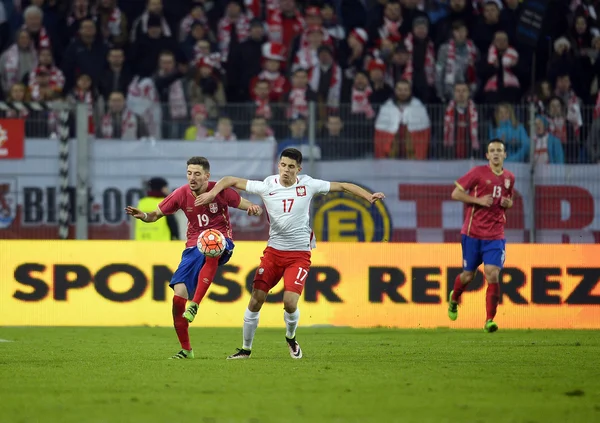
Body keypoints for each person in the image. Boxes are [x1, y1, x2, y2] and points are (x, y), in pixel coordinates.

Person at [194, 148, 385, 359]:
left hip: (299, 254)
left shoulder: (308, 184)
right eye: (283, 165)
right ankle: (245, 349)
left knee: (290, 302)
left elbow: (341, 186)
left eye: (291, 167)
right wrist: (212, 193)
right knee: (256, 299)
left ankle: (291, 338)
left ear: (299, 169)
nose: (286, 170)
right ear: (278, 165)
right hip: (274, 253)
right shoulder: (268, 185)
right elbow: (230, 179)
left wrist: (368, 196)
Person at [125, 156, 262, 359]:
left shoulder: (220, 191)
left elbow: (246, 204)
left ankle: (195, 304)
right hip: (192, 248)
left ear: (207, 175)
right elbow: (155, 215)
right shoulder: (181, 194)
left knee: (211, 244)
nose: (192, 177)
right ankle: (186, 350)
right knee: (178, 295)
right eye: (189, 173)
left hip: (222, 240)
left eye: (197, 174)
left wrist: (254, 208)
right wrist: (144, 216)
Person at [448, 139, 515, 333]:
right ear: (487, 155)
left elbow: (507, 201)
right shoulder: (477, 173)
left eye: (499, 151)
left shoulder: (510, 177)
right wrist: (477, 200)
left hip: (495, 235)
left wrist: (508, 204)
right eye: (492, 150)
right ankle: (454, 299)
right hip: (472, 234)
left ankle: (489, 321)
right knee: (468, 275)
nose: (495, 153)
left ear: (505, 155)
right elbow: (455, 194)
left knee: (492, 273)